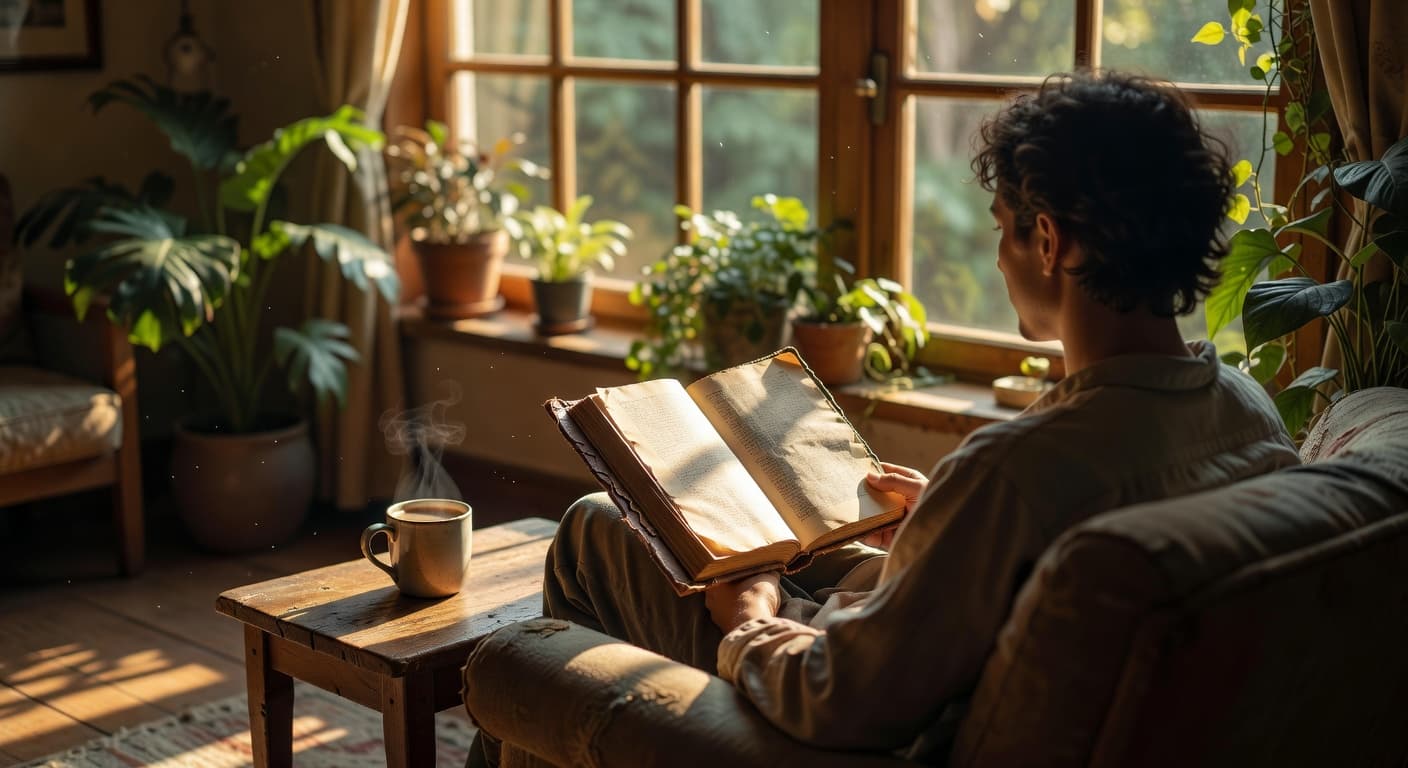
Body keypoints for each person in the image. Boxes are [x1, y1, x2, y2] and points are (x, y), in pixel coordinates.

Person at [474, 70, 1301, 765]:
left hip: (842, 712)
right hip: (922, 656)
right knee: (659, 534)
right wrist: (939, 521)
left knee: (593, 532)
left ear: (1048, 240)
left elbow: (842, 700)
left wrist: (751, 622)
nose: (998, 256)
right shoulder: (1248, 413)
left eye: (1002, 231)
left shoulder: (1016, 475)